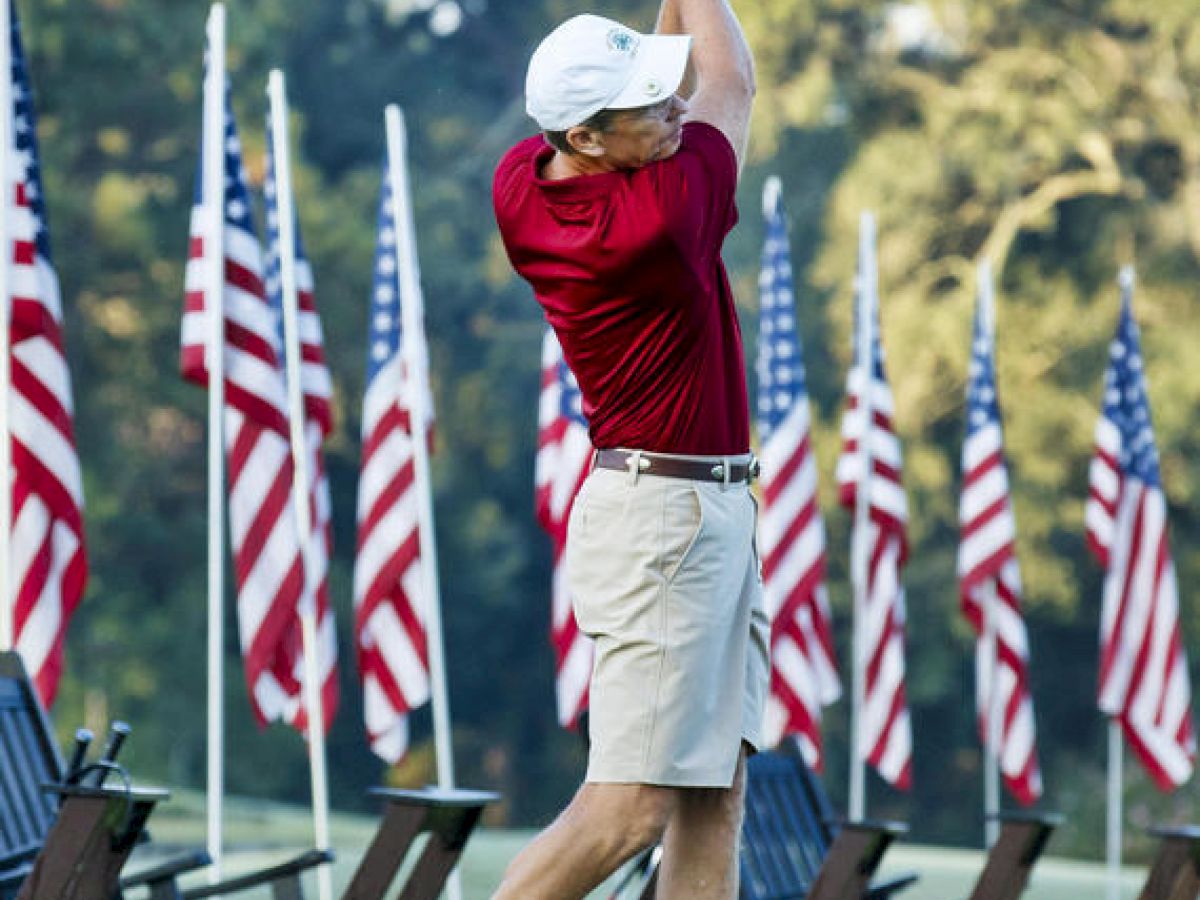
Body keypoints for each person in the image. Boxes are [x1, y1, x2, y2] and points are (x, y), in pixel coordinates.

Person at [491, 2, 766, 897]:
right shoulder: (656, 221)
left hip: (700, 511)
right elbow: (732, 82)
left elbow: (679, 85)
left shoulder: (523, 178)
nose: (676, 109)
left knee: (714, 789)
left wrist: (653, 53)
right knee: (632, 807)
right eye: (651, 106)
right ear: (588, 134)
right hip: (667, 525)